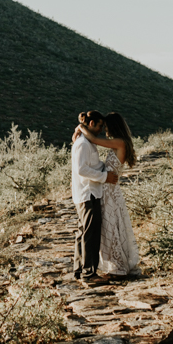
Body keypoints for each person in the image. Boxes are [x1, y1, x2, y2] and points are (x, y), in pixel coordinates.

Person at [73, 111, 140, 279]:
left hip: (109, 191)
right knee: (110, 228)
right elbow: (98, 163)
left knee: (111, 228)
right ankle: (106, 266)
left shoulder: (119, 142)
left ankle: (116, 266)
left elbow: (94, 140)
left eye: (107, 126)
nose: (105, 130)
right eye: (102, 126)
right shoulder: (117, 143)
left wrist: (80, 126)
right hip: (106, 190)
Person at [70, 110, 115, 282]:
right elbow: (81, 169)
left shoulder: (88, 143)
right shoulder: (82, 144)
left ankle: (79, 270)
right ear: (91, 124)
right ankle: (89, 274)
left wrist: (105, 167)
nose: (102, 129)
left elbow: (93, 165)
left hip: (89, 193)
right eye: (100, 125)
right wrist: (105, 177)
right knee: (90, 234)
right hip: (87, 194)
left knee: (83, 233)